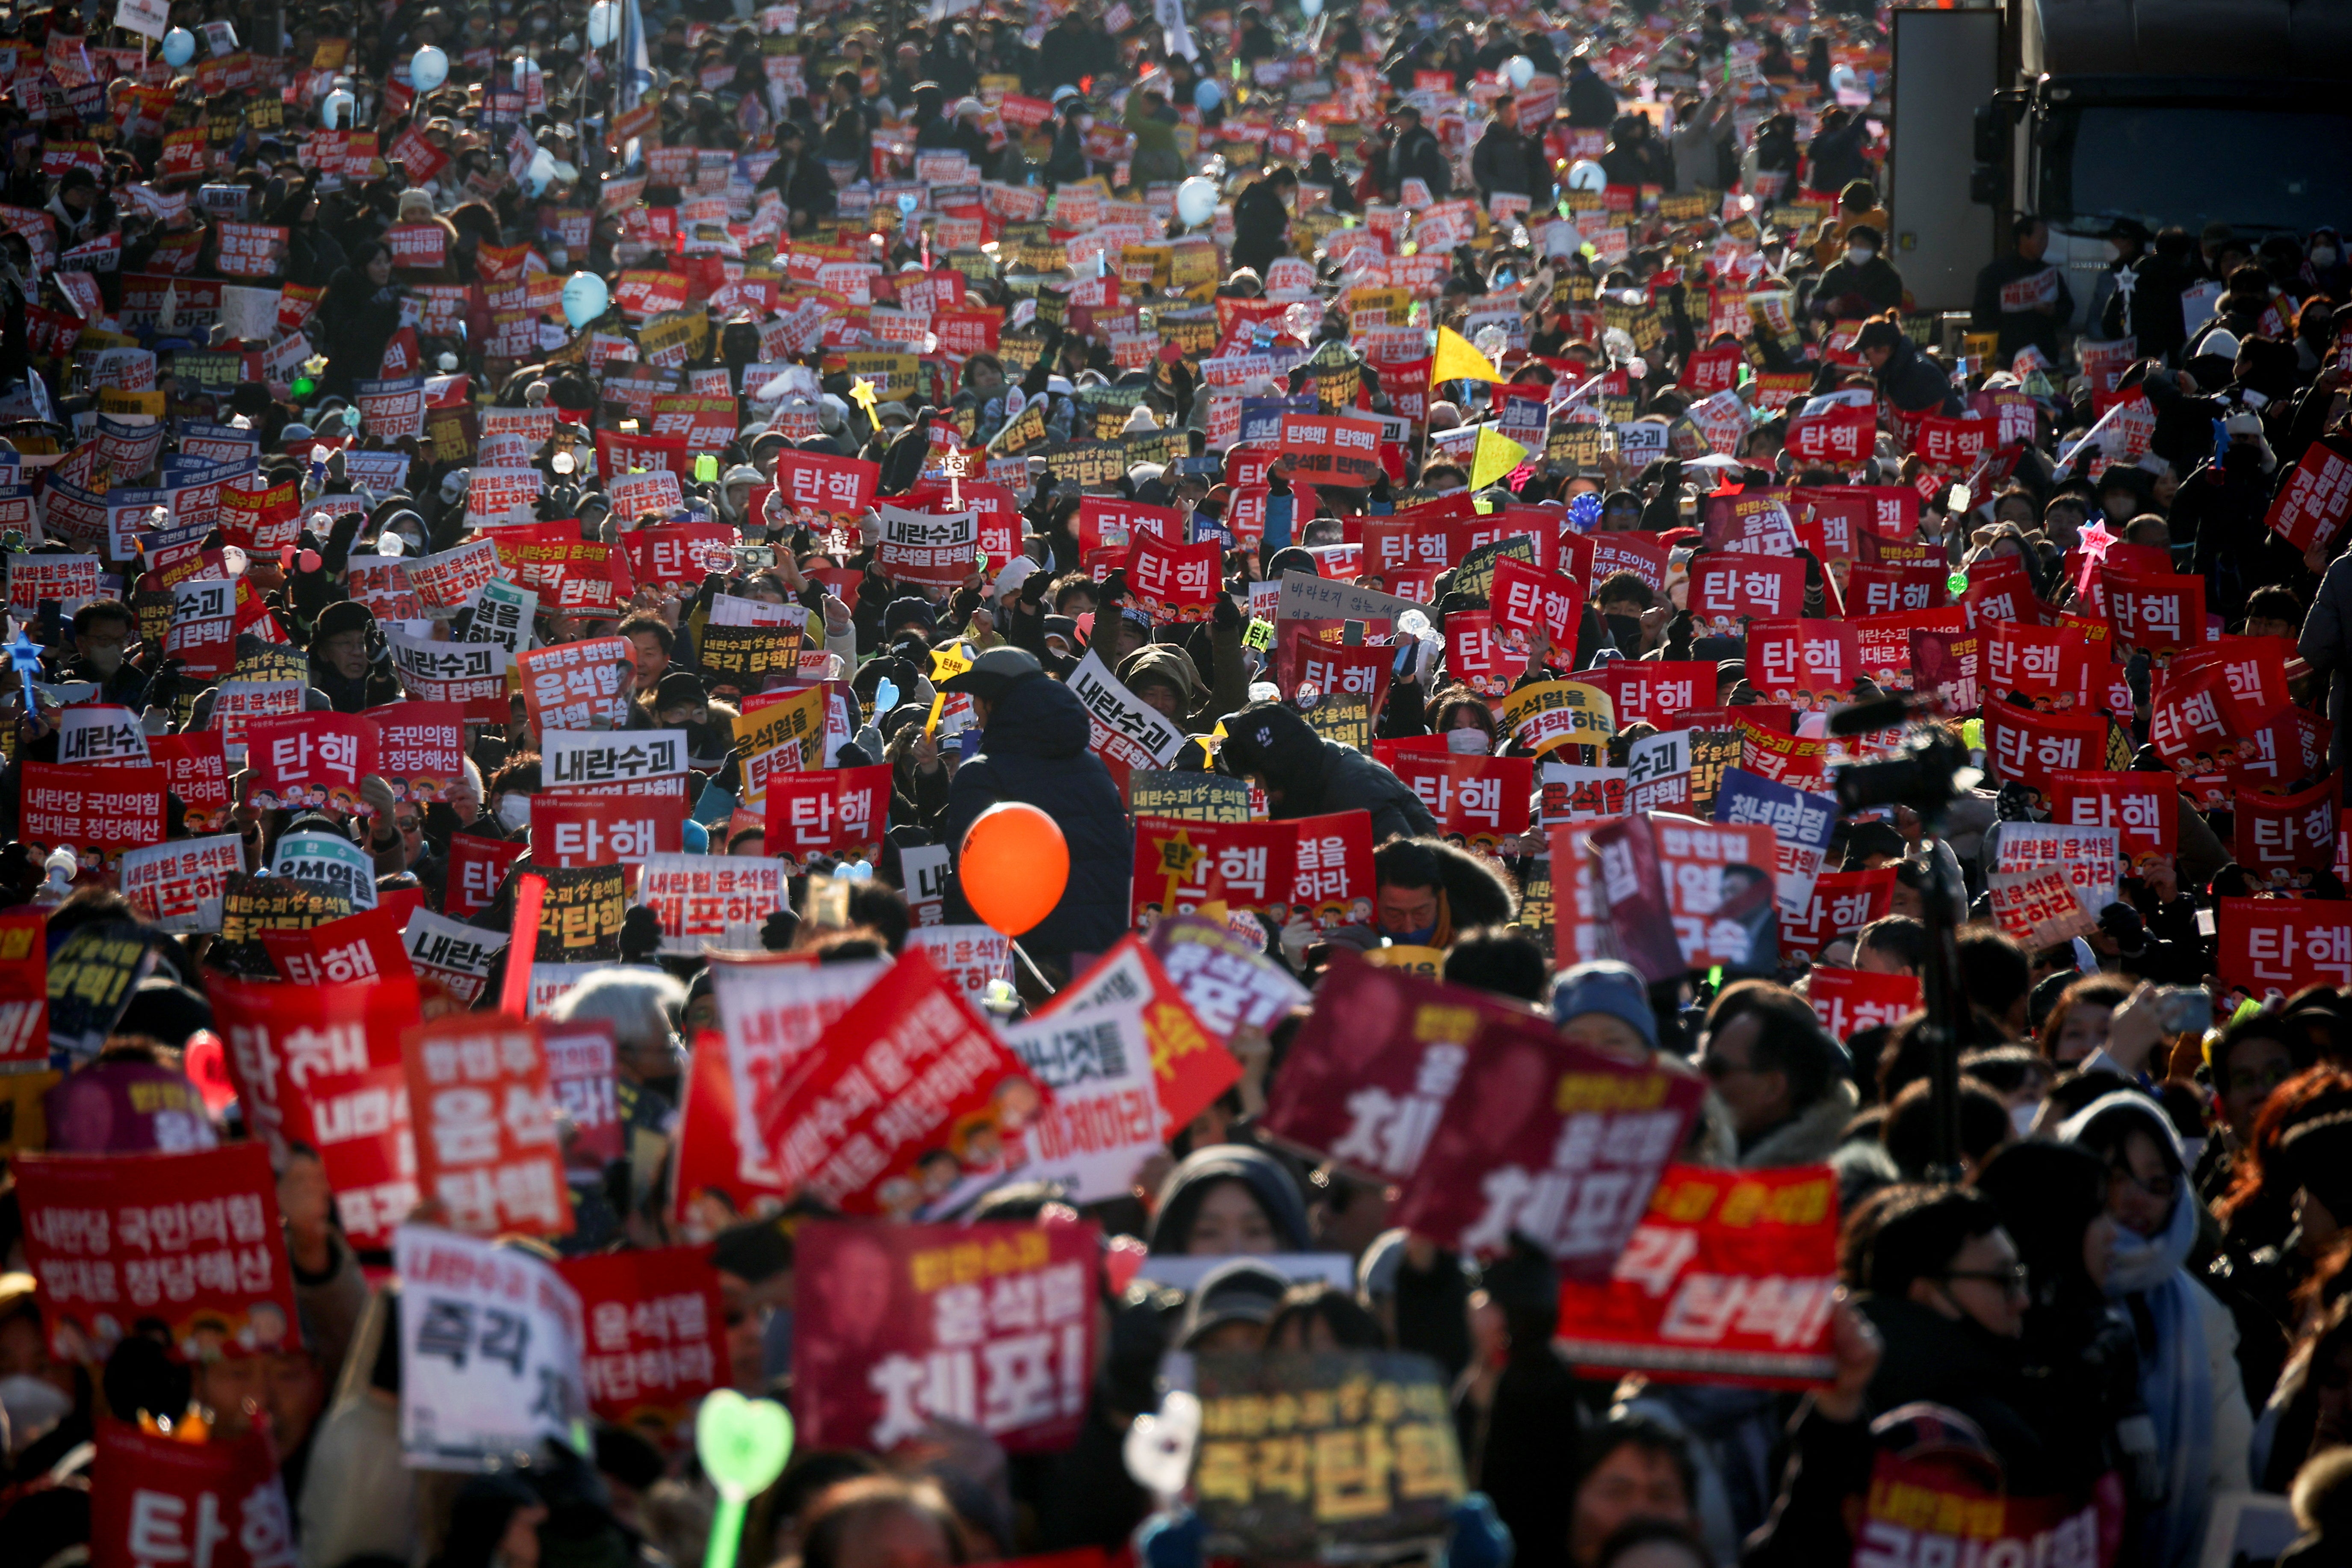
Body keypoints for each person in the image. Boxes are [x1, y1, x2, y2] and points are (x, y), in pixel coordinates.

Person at [2061, 1091, 2254, 1568]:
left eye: (2156, 1181)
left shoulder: (2199, 1308)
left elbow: (2228, 1475)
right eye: (2114, 1177)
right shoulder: (2041, 1299)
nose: (2135, 1199)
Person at [936, 647, 1132, 975]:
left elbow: (971, 880)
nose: (973, 709)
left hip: (1027, 967)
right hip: (1104, 957)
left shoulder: (982, 774)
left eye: (977, 698)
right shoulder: (1095, 769)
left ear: (994, 702)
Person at [1216, 701, 1438, 842]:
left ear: (1280, 770)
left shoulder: (1355, 793)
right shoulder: (1314, 778)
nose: (1261, 791)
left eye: (1259, 779)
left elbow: (1410, 873)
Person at [1971, 215, 2074, 363]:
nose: (2044, 244)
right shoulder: (1996, 274)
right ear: (2023, 238)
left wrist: (2054, 311)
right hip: (2008, 356)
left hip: (2044, 355)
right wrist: (1993, 352)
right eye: (2041, 238)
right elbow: (1982, 316)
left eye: (2047, 239)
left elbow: (2068, 307)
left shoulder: (2050, 274)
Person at [1229, 165, 1298, 278]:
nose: (1292, 197)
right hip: (1257, 264)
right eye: (1292, 192)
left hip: (1240, 255)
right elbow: (1258, 239)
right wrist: (1282, 248)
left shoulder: (1251, 195)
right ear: (1281, 187)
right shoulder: (1268, 206)